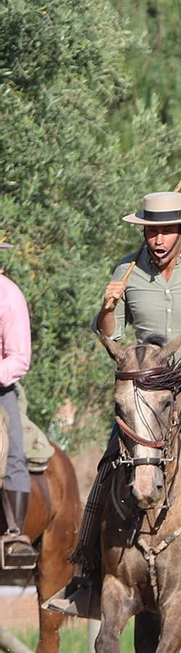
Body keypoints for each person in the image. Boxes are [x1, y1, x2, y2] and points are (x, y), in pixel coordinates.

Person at [47, 192, 181, 618]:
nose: (158, 240)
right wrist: (107, 309)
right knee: (110, 464)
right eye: (151, 231)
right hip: (145, 392)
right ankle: (88, 572)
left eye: (165, 231)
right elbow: (110, 335)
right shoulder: (126, 271)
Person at [0, 242, 35, 566]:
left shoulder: (8, 295)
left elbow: (19, 358)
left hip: (0, 390)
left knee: (12, 452)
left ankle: (14, 534)